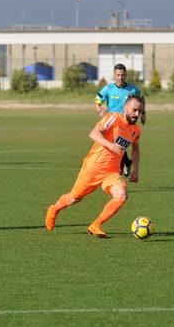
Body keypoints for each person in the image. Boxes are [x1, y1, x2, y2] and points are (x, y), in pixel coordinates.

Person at [46, 95, 144, 238]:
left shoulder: (136, 130)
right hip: (93, 168)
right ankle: (54, 208)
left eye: (139, 111)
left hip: (111, 173)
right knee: (74, 198)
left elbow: (135, 149)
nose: (136, 114)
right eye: (134, 110)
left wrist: (136, 170)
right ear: (125, 108)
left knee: (122, 195)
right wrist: (110, 145)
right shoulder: (114, 119)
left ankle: (95, 225)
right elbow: (94, 133)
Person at [94, 63, 145, 178]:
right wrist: (100, 111)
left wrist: (143, 113)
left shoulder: (133, 89)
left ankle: (118, 174)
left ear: (126, 75)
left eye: (122, 75)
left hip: (127, 123)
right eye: (118, 75)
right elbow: (97, 102)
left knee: (119, 147)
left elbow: (141, 99)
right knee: (117, 147)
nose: (120, 77)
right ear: (114, 75)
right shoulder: (108, 89)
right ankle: (124, 164)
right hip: (112, 123)